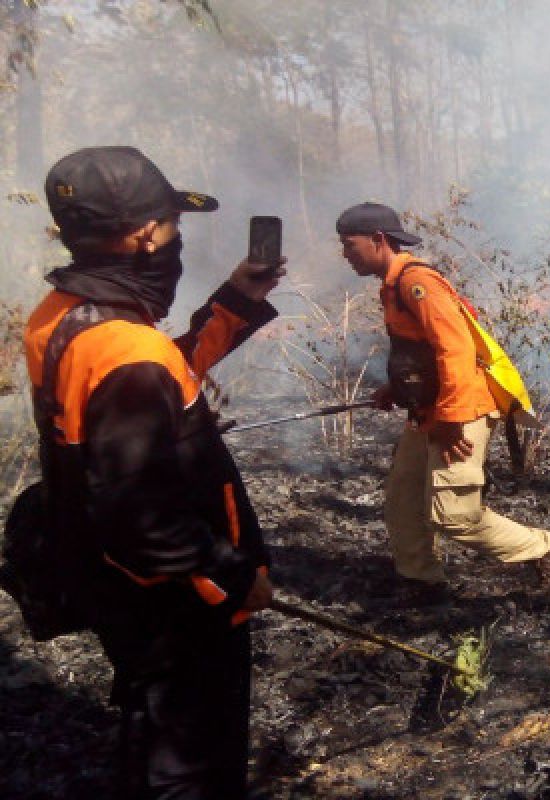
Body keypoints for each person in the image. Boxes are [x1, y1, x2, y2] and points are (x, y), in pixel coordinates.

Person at [24, 146, 283, 798]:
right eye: (172, 225)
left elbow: (167, 375)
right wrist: (232, 575)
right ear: (145, 235)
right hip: (174, 598)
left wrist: (236, 300)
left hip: (118, 585)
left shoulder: (62, 315)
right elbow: (141, 520)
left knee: (159, 726)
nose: (176, 239)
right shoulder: (126, 350)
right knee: (188, 763)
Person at [336, 202, 550, 608]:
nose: (345, 254)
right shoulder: (393, 286)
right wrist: (397, 389)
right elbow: (421, 354)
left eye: (349, 244)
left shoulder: (417, 284)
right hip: (429, 410)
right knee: (403, 497)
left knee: (453, 515)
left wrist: (450, 419)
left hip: (459, 410)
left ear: (378, 240)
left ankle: (546, 548)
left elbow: (456, 349)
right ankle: (422, 581)